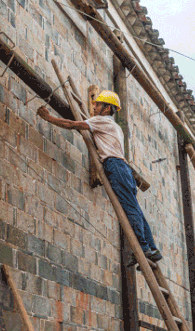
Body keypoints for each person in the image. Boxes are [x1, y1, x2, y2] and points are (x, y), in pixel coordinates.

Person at [37, 91, 163, 262]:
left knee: (129, 208)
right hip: (123, 168)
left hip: (115, 166)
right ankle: (151, 248)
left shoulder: (101, 121)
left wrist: (48, 118)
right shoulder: (115, 127)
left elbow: (71, 124)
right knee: (135, 208)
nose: (94, 107)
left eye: (97, 104)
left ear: (107, 108)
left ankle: (143, 248)